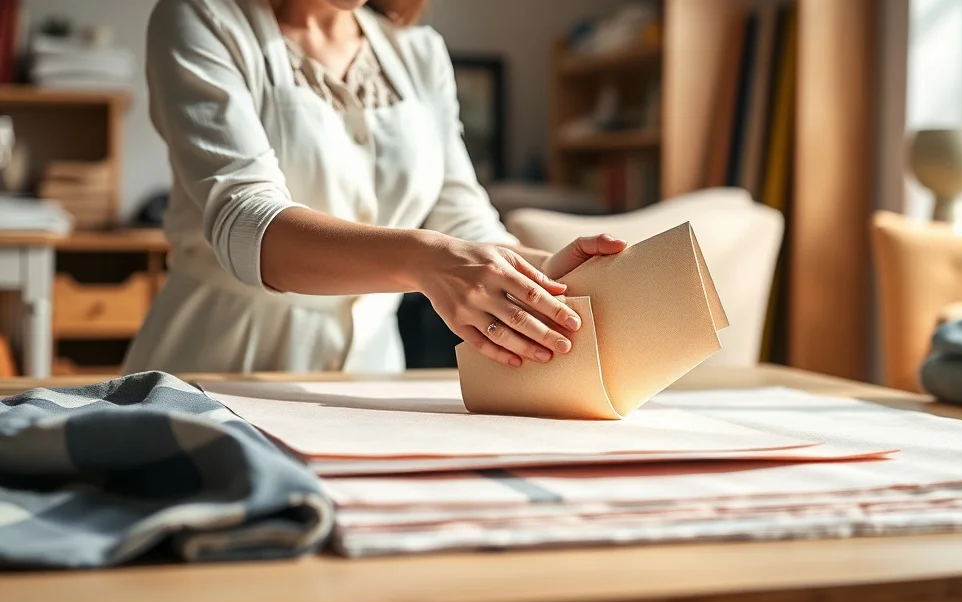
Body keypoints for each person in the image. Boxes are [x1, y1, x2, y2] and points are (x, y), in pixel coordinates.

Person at [123, 0, 626, 375]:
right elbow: (245, 222)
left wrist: (543, 276)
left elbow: (461, 215)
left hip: (371, 376)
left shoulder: (418, 52)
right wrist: (426, 259)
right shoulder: (204, 18)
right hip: (220, 368)